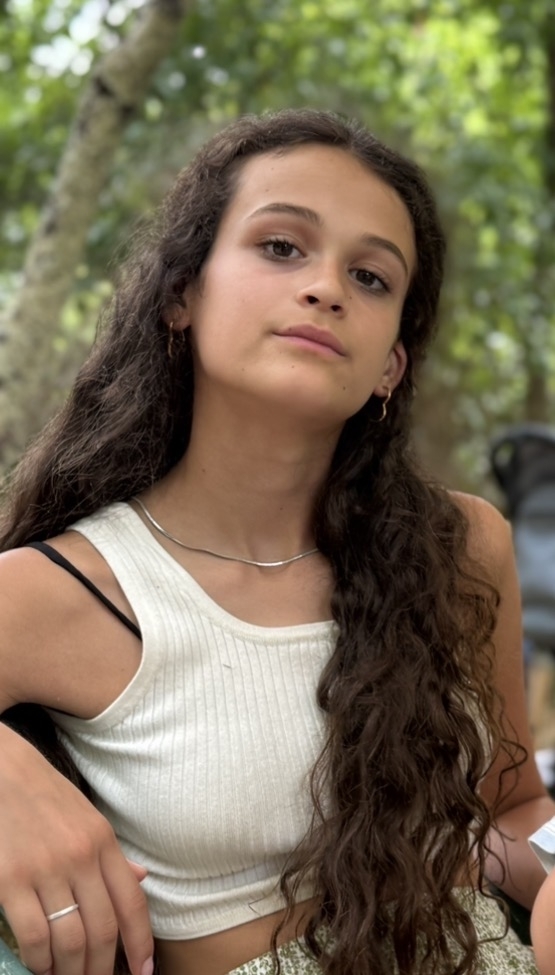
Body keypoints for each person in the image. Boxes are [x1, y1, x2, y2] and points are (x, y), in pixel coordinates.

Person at [0, 108, 552, 975]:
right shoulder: (66, 587)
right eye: (282, 247)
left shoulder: (459, 546)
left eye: (370, 276)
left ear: (390, 365)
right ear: (181, 295)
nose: (326, 287)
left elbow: (509, 813)